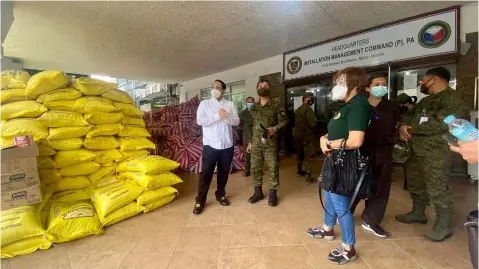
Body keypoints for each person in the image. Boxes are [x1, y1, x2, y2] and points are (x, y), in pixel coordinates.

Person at [307, 67, 373, 265]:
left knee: (341, 206)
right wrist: (324, 138)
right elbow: (337, 131)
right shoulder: (347, 105)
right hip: (336, 159)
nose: (337, 87)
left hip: (346, 162)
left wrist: (330, 144)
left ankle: (348, 248)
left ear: (355, 84)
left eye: (341, 82)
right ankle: (327, 228)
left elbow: (356, 140)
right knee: (329, 194)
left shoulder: (359, 105)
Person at [395, 67, 464, 242]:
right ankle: (418, 212)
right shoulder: (425, 101)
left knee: (437, 187)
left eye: (423, 79)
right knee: (416, 183)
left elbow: (445, 123)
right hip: (416, 149)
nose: (421, 83)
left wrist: (412, 129)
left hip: (436, 152)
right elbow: (408, 115)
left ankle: (443, 224)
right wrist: (403, 126)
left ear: (433, 79)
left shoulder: (453, 98)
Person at [351, 73, 400, 238]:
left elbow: (397, 125)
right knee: (354, 183)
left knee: (380, 186)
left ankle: (371, 220)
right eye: (377, 84)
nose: (381, 86)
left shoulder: (392, 106)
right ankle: (345, 211)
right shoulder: (359, 105)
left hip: (383, 150)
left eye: (384, 84)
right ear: (368, 88)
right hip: (360, 149)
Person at [193, 79, 240, 215]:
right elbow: (200, 121)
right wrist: (217, 116)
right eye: (212, 86)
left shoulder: (230, 104)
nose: (214, 88)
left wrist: (227, 118)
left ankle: (221, 195)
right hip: (210, 145)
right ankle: (200, 201)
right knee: (206, 173)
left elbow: (236, 121)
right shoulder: (205, 104)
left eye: (218, 86)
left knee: (224, 172)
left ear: (223, 89)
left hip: (227, 145)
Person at [245, 80, 288, 207]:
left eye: (265, 86)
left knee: (273, 167)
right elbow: (249, 126)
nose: (262, 88)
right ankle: (258, 192)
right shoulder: (253, 108)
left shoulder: (276, 105)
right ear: (257, 89)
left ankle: (273, 193)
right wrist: (249, 142)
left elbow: (285, 121)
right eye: (260, 86)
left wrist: (274, 129)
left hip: (271, 143)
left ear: (269, 88)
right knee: (255, 167)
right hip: (256, 143)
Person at [294, 92, 318, 182]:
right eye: (311, 98)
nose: (312, 100)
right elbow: (313, 123)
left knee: (300, 154)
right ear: (305, 99)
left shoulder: (298, 109)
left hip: (298, 135)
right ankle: (308, 176)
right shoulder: (308, 109)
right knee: (309, 155)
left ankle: (299, 171)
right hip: (307, 136)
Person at [239, 96, 254, 176]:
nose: (250, 103)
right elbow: (238, 124)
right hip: (245, 137)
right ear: (246, 103)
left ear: (254, 102)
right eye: (248, 102)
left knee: (256, 155)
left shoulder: (257, 112)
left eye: (251, 102)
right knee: (246, 155)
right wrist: (244, 128)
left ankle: (256, 171)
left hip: (255, 136)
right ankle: (247, 170)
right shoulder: (242, 113)